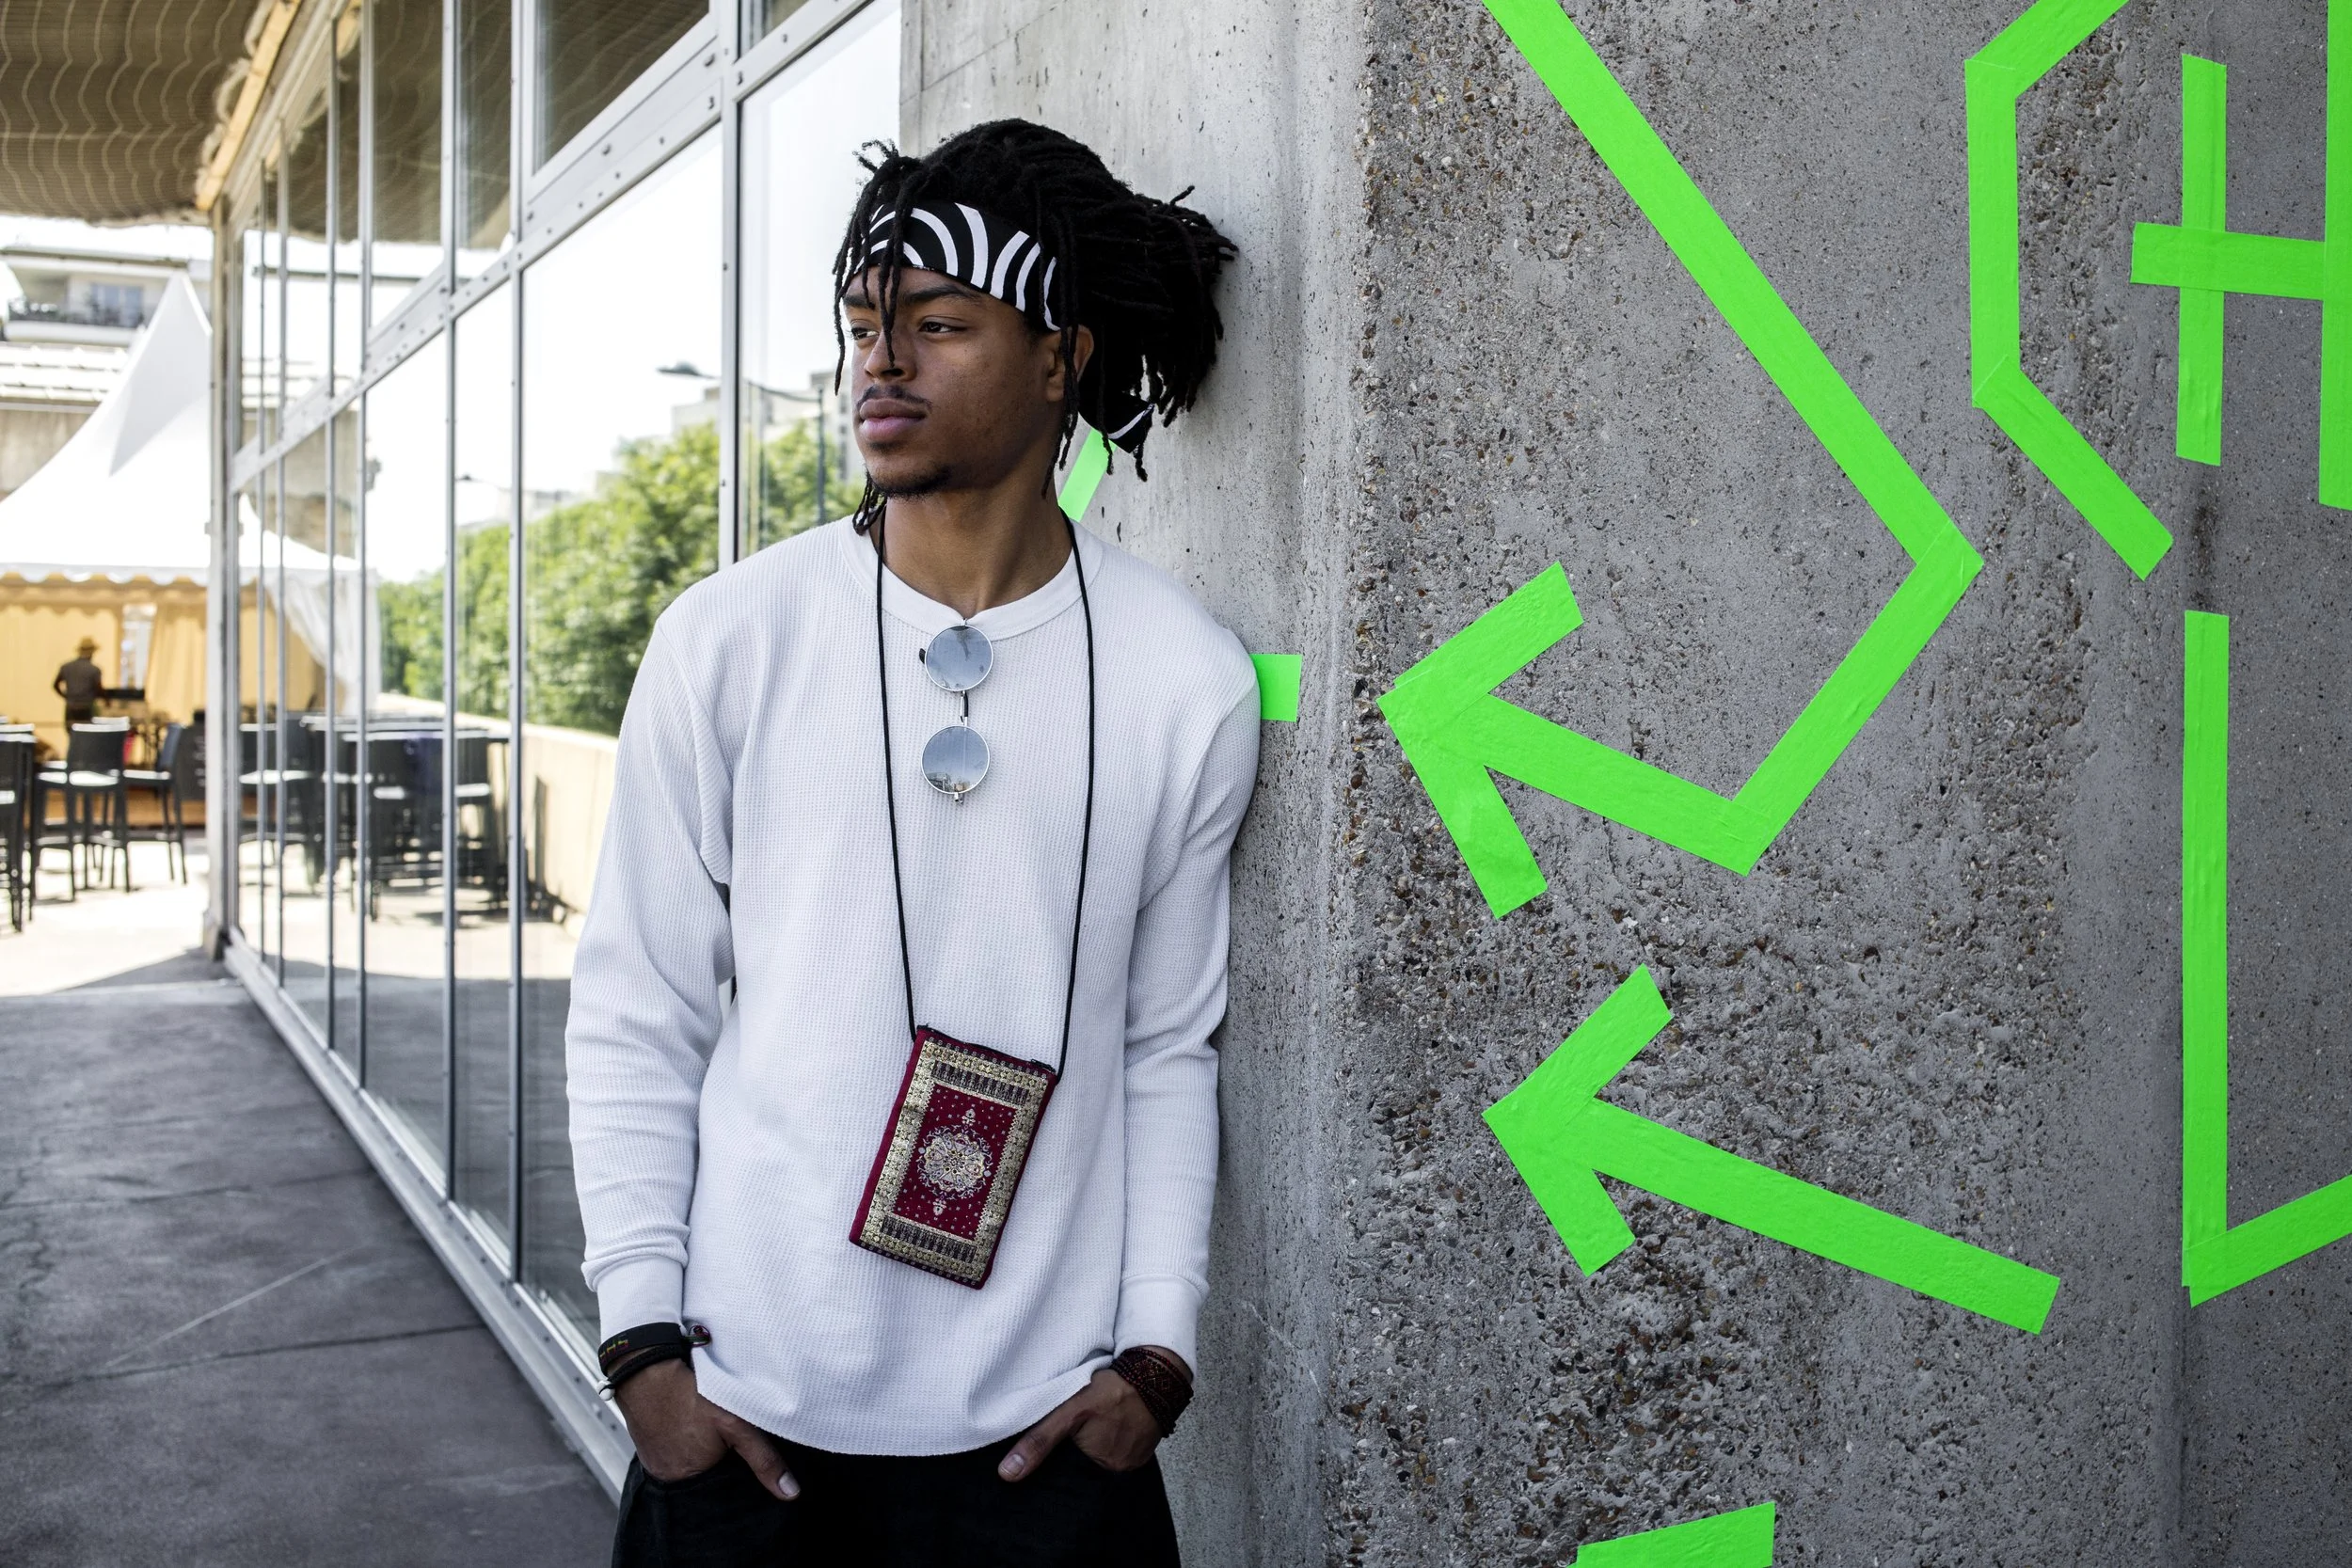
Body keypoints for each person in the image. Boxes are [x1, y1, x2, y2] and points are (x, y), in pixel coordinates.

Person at [566, 119, 1252, 1566]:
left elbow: (1166, 1045)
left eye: (938, 324)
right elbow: (639, 1011)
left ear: (1061, 355)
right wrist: (643, 1357)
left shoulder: (1185, 675)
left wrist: (1154, 1360)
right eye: (863, 326)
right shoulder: (731, 640)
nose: (880, 362)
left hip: (1051, 1445)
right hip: (746, 1432)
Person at [54, 637, 103, 727]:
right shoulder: (94, 670)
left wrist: (66, 696)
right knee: (88, 733)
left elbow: (55, 685)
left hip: (71, 706)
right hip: (87, 707)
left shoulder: (66, 667)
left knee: (72, 732)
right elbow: (98, 689)